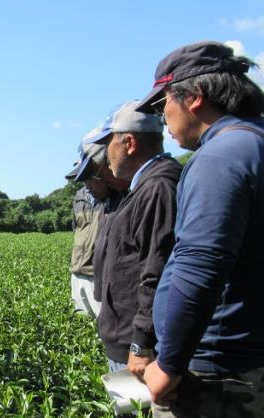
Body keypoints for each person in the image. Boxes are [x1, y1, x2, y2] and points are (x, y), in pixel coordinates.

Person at [135, 41, 264, 418]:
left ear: (194, 97)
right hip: (250, 363)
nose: (162, 118)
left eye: (163, 102)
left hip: (219, 377)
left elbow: (200, 264)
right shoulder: (256, 145)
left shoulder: (221, 157)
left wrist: (168, 363)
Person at [87, 101, 180, 373]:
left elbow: (157, 271)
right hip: (126, 339)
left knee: (143, 415)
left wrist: (141, 342)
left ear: (129, 142)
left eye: (108, 145)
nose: (106, 155)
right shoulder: (142, 188)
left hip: (139, 348)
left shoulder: (158, 189)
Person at [65, 128, 117, 318]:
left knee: (102, 327)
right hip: (77, 271)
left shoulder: (115, 198)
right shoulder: (79, 198)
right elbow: (76, 230)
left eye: (90, 177)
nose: (86, 183)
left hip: (98, 276)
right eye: (83, 178)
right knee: (80, 322)